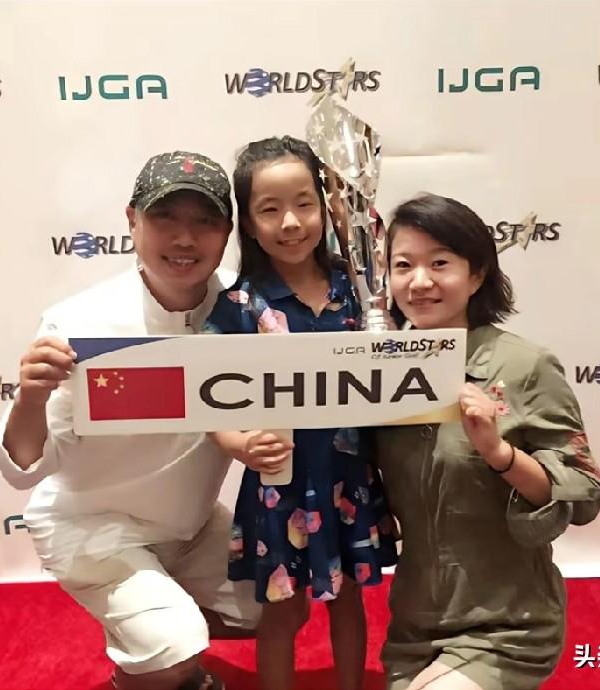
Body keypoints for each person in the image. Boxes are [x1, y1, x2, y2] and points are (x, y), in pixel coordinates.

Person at [0, 151, 261, 690]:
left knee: (273, 603)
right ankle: (156, 660)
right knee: (173, 647)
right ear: (132, 220)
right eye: (165, 217)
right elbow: (21, 469)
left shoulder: (247, 308)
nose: (184, 238)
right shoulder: (78, 322)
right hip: (95, 527)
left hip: (193, 525)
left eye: (205, 221)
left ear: (227, 232)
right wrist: (31, 397)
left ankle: (158, 628)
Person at [374, 194, 600, 690]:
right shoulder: (377, 372)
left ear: (476, 274)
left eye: (440, 263)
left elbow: (584, 492)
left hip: (507, 624)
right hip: (413, 626)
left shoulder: (525, 366)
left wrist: (500, 454)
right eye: (403, 265)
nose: (419, 281)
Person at [203, 135, 398, 690]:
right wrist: (238, 444)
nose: (290, 223)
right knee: (283, 611)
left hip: (350, 478)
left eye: (304, 203)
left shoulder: (360, 291)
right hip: (278, 485)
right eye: (270, 209)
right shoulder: (239, 306)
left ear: (327, 206)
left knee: (350, 600)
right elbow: (206, 398)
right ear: (248, 223)